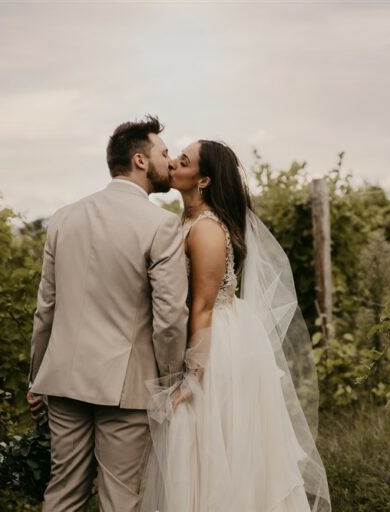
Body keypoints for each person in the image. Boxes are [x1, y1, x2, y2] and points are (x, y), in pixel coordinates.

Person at [139, 140, 331, 512]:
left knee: (215, 438)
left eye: (184, 161)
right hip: (203, 333)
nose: (173, 163)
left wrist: (192, 377)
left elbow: (203, 306)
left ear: (204, 180)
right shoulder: (185, 221)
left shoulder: (207, 229)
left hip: (218, 344)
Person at [26, 115, 189, 512]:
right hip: (126, 387)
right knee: (120, 499)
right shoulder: (162, 225)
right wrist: (169, 384)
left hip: (63, 379)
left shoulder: (64, 218)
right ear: (139, 160)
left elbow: (46, 307)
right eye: (164, 153)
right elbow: (170, 317)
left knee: (62, 493)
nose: (170, 162)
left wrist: (36, 378)